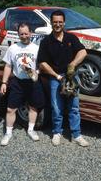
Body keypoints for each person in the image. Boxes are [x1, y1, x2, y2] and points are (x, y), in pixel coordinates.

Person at [37, 10, 90, 147]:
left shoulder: (71, 38)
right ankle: (56, 133)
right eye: (55, 22)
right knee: (56, 108)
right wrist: (56, 75)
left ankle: (77, 135)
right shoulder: (46, 42)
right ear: (51, 22)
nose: (58, 24)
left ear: (64, 23)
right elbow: (42, 63)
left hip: (71, 78)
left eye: (60, 22)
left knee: (74, 107)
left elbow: (83, 52)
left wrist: (73, 64)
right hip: (56, 78)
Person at [0, 23, 45, 146]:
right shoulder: (13, 48)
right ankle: (8, 133)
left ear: (30, 33)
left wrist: (37, 72)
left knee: (34, 107)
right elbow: (8, 65)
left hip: (32, 82)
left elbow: (42, 65)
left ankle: (31, 130)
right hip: (17, 82)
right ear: (18, 34)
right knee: (10, 109)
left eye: (26, 33)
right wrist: (4, 82)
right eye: (21, 34)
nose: (24, 36)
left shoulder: (36, 48)